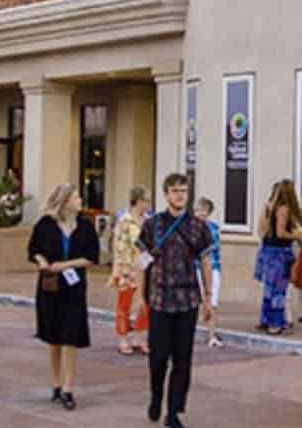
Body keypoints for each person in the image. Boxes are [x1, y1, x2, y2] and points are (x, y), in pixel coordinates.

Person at [134, 173, 214, 428]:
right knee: (158, 357)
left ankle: (174, 411)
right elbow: (141, 261)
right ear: (166, 194)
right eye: (175, 190)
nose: (180, 195)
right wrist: (139, 295)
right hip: (159, 298)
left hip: (187, 298)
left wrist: (209, 298)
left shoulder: (198, 226)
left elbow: (205, 261)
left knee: (183, 359)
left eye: (184, 190)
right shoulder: (153, 225)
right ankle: (156, 396)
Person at [29, 183, 101, 410]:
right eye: (77, 197)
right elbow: (33, 250)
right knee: (54, 337)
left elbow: (92, 257)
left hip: (74, 287)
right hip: (50, 287)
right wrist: (43, 263)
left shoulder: (85, 227)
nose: (80, 201)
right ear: (65, 201)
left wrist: (66, 265)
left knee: (71, 336)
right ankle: (56, 383)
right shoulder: (45, 225)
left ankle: (69, 387)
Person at [256, 179, 302, 334]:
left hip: (268, 250)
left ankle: (265, 320)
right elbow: (281, 232)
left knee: (269, 289)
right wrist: (296, 235)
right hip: (280, 253)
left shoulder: (269, 207)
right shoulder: (284, 209)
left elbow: (262, 230)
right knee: (279, 289)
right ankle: (275, 324)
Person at [112, 185, 151, 355]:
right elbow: (119, 246)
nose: (148, 204)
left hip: (146, 267)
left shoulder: (149, 220)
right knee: (124, 305)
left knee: (145, 304)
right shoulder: (125, 221)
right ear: (138, 201)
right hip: (129, 268)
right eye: (146, 200)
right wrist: (123, 268)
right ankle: (123, 339)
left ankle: (140, 337)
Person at [194, 196, 224, 347]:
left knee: (212, 302)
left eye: (203, 210)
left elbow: (213, 251)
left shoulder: (213, 229)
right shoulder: (189, 228)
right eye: (198, 210)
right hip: (194, 268)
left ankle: (211, 335)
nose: (200, 213)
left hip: (212, 268)